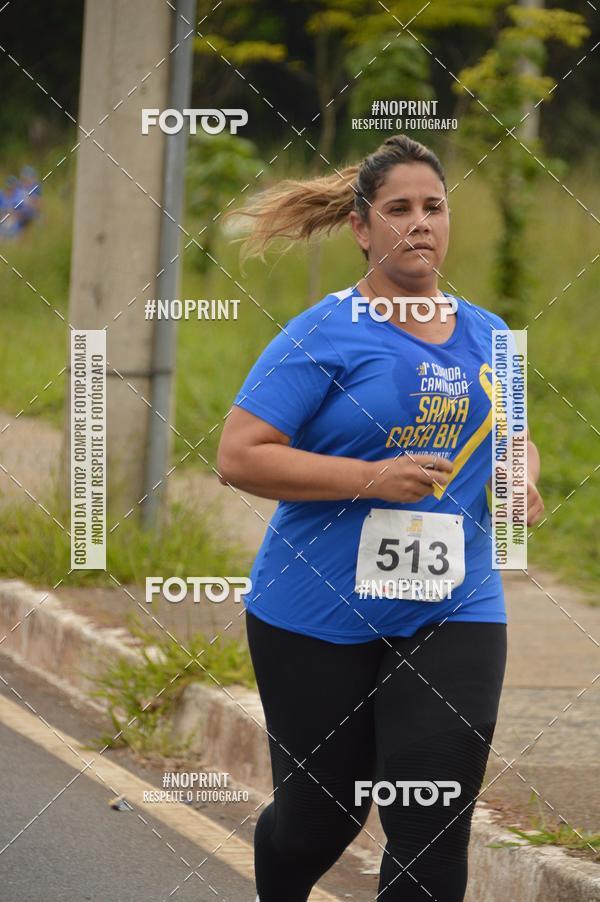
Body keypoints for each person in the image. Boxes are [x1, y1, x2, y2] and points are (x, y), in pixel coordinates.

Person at [217, 134, 544, 901]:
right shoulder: (325, 332)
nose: (420, 222)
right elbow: (238, 455)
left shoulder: (493, 336)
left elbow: (515, 437)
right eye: (399, 208)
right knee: (318, 821)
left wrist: (521, 479)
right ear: (362, 229)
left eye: (434, 207)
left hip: (455, 604)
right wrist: (372, 477)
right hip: (317, 610)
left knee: (433, 821)